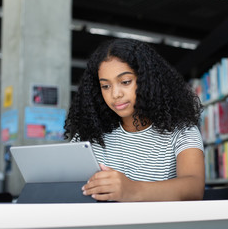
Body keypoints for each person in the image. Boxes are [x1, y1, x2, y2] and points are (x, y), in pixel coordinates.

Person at [64, 38, 205, 202]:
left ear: (148, 81)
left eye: (125, 82)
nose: (115, 94)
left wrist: (131, 189)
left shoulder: (182, 131)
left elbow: (194, 188)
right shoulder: (88, 136)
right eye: (105, 86)